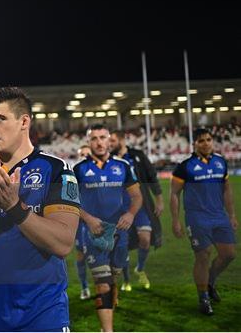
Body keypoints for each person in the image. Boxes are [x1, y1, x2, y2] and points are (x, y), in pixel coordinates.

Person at [0, 87, 80, 331]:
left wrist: (13, 207)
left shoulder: (56, 169)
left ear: (24, 121)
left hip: (43, 313)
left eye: (0, 119)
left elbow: (63, 243)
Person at [73, 124, 142, 332]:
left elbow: (137, 196)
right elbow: (70, 201)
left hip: (120, 233)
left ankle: (110, 304)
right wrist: (88, 219)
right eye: (94, 138)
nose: (99, 142)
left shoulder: (122, 166)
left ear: (109, 140)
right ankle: (108, 330)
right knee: (102, 283)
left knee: (113, 277)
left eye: (103, 137)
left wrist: (130, 213)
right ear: (89, 142)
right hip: (93, 233)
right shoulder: (79, 169)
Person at [170, 127, 237, 315]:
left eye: (208, 139)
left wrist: (231, 215)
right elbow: (174, 194)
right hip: (197, 217)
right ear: (195, 144)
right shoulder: (185, 166)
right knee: (203, 255)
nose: (206, 143)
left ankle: (210, 282)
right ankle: (203, 298)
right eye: (201, 141)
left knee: (229, 254)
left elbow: (227, 190)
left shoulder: (220, 163)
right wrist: (175, 220)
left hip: (219, 216)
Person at [109, 130, 164, 291]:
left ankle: (140, 269)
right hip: (119, 209)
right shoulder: (109, 160)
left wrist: (159, 199)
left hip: (140, 206)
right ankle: (126, 279)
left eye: (112, 141)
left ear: (122, 140)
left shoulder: (137, 156)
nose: (109, 144)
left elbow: (151, 176)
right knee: (122, 246)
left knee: (145, 239)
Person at [74, 144, 92, 300]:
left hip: (99, 220)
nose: (85, 157)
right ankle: (84, 286)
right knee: (81, 255)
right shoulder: (73, 176)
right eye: (82, 154)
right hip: (80, 222)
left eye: (88, 154)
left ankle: (109, 289)